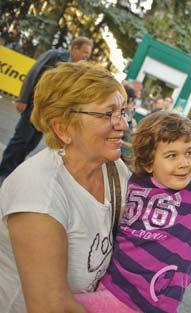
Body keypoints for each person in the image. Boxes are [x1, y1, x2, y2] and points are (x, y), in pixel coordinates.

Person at [74, 71, 191, 313]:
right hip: (107, 288)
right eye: (171, 156)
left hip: (149, 305)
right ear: (147, 162)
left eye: (188, 152)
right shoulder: (132, 183)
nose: (184, 162)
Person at [0, 62, 131, 312]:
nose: (122, 124)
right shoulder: (39, 194)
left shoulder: (114, 170)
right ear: (63, 128)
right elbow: (50, 307)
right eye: (107, 114)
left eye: (123, 112)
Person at [0, 36, 93, 184]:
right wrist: (23, 98)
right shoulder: (54, 56)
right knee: (21, 139)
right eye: (85, 52)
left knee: (31, 143)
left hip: (49, 113)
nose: (86, 56)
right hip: (34, 105)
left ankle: (13, 172)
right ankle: (4, 172)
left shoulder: (78, 71)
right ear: (74, 48)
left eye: (88, 54)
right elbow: (32, 75)